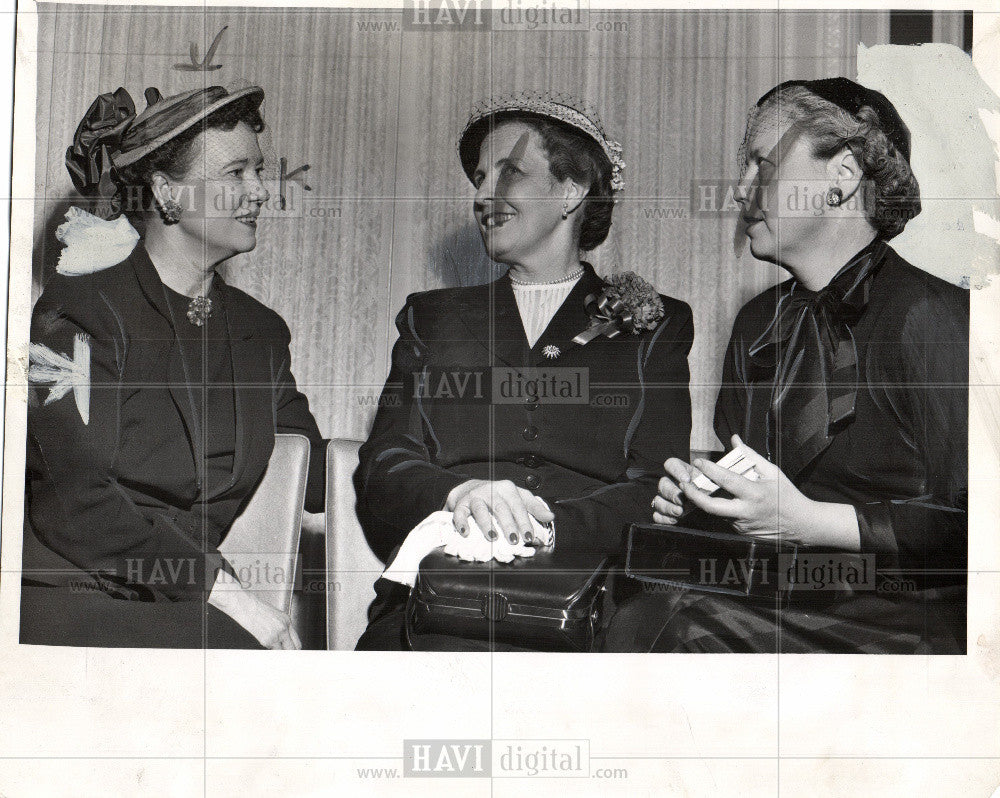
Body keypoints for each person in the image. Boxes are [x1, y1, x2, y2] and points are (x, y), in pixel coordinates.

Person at [603, 78, 968, 654]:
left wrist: (808, 521)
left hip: (902, 616)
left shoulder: (935, 318)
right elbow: (756, 495)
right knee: (633, 602)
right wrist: (705, 499)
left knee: (671, 628)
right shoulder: (757, 324)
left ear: (842, 177)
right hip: (781, 594)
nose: (738, 192)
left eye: (762, 166)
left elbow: (978, 527)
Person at [354, 91, 694, 650]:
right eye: (479, 179)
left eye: (509, 173)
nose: (484, 195)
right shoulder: (432, 318)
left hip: (594, 606)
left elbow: (658, 482)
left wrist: (548, 527)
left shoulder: (657, 325)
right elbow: (383, 465)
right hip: (445, 597)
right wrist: (459, 493)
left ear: (571, 191)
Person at [22, 85, 328, 649]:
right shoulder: (80, 310)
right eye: (236, 173)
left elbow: (320, 472)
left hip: (188, 600)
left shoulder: (260, 332)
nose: (259, 192)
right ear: (167, 192)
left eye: (258, 171)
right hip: (72, 589)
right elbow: (72, 495)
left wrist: (453, 489)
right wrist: (223, 592)